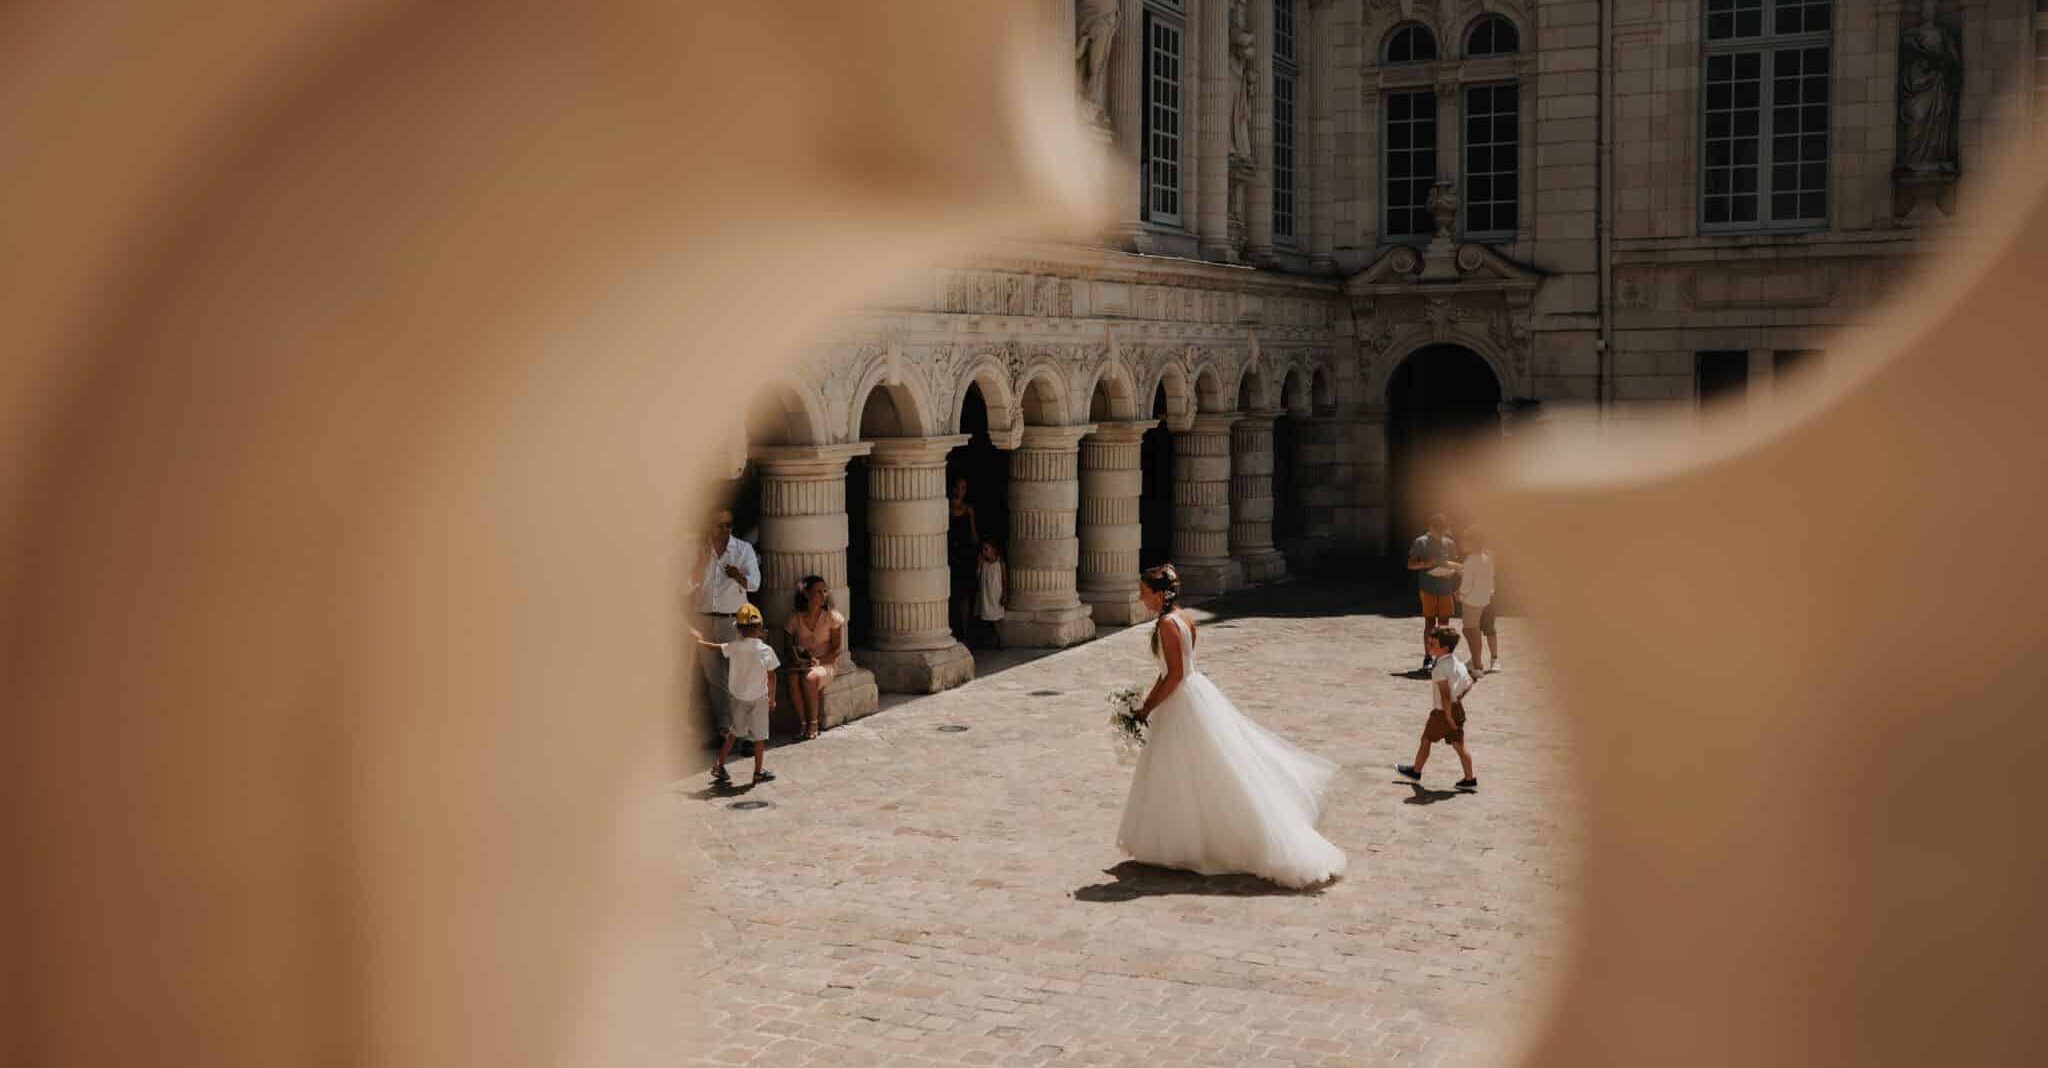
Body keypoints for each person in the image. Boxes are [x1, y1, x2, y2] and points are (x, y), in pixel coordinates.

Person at [1117, 564, 1347, 889]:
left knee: (1190, 771)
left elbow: (1175, 674)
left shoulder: (1168, 624)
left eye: (1143, 592)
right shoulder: (1183, 617)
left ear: (1158, 593)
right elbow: (1174, 669)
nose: (1141, 597)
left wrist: (1148, 708)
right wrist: (1148, 703)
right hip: (1193, 693)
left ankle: (1203, 842)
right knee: (1195, 770)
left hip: (1183, 700)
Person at [690, 508, 762, 742]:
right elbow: (682, 587)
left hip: (733, 621)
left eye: (729, 525)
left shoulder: (743, 549)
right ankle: (725, 729)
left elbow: (755, 584)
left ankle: (744, 728)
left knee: (738, 675)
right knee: (714, 678)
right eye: (720, 525)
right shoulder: (698, 551)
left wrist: (739, 576)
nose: (726, 530)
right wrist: (699, 567)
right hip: (704, 618)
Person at [691, 603, 779, 786]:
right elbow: (772, 675)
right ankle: (758, 772)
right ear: (760, 628)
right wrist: (772, 698)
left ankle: (718, 764)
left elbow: (714, 647)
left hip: (737, 697)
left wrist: (698, 641)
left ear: (738, 629)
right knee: (759, 736)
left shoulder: (734, 646)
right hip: (759, 697)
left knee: (734, 732)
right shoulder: (766, 650)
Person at [1396, 627, 1478, 791]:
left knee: (1426, 739)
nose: (1429, 646)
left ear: (1445, 648)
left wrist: (1447, 717)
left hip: (1442, 712)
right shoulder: (1458, 663)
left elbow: (1445, 696)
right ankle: (1469, 779)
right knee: (1459, 745)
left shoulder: (1439, 669)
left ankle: (1416, 772)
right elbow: (1469, 682)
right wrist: (1460, 698)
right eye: (1428, 642)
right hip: (1457, 709)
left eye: (1433, 644)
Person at [784, 575, 845, 741]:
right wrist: (797, 657)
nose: (822, 595)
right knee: (792, 677)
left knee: (810, 677)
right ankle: (803, 722)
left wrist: (819, 661)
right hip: (803, 663)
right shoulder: (795, 618)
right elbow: (787, 647)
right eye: (818, 591)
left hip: (826, 663)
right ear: (806, 594)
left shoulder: (831, 617)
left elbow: (836, 649)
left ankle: (813, 723)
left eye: (824, 591)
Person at [1406, 513, 1460, 673]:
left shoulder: (1449, 543)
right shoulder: (1421, 542)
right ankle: (1428, 657)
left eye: (1442, 531)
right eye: (1437, 531)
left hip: (1445, 587)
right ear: (1430, 528)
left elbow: (1453, 563)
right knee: (1430, 623)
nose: (1440, 534)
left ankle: (1442, 658)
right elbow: (1410, 564)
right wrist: (1425, 564)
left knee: (1444, 625)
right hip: (1428, 587)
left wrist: (1453, 572)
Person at [1459, 524, 1499, 674]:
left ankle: (1476, 664)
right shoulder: (1487, 559)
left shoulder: (1470, 562)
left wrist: (1460, 594)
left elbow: (1466, 585)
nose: (1461, 543)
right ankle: (1476, 660)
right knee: (1473, 630)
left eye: (1464, 540)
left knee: (1470, 630)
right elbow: (1489, 581)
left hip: (1472, 601)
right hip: (1483, 599)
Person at [947, 476, 980, 641]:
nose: (960, 491)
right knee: (950, 593)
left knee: (965, 594)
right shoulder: (945, 507)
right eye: (958, 487)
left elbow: (974, 536)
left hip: (965, 555)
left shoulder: (968, 509)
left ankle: (965, 631)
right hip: (949, 554)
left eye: (964, 488)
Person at [974, 536, 1006, 649]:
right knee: (983, 618)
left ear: (993, 549)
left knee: (996, 619)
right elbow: (978, 576)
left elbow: (1004, 580)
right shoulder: (984, 563)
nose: (984, 552)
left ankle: (1001, 640)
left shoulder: (1000, 562)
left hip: (995, 595)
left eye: (986, 549)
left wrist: (1004, 595)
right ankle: (982, 641)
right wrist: (979, 564)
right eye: (983, 549)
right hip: (985, 594)